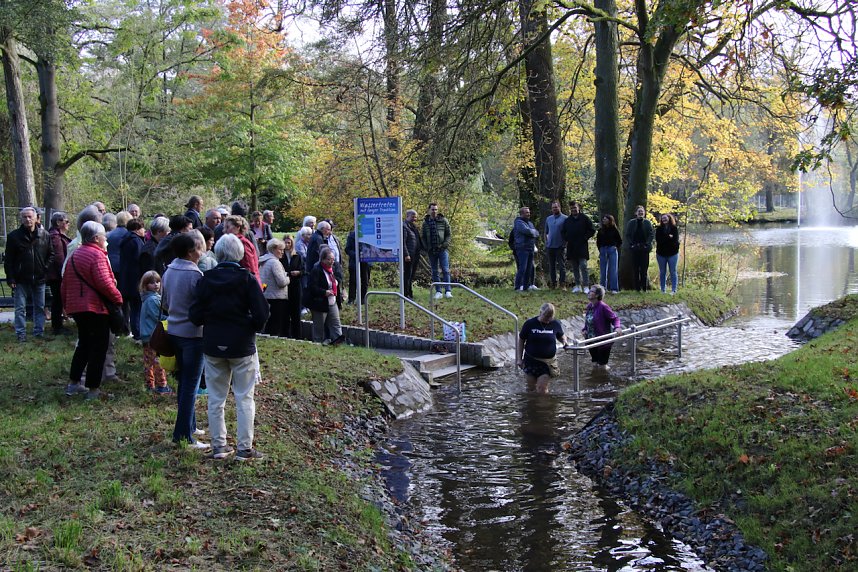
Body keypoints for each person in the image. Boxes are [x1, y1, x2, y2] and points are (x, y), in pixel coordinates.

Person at [190, 233, 269, 461]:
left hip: (214, 343)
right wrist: (250, 326)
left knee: (216, 398)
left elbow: (195, 314)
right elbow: (262, 313)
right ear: (240, 254)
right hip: (242, 344)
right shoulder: (246, 279)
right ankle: (245, 448)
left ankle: (219, 446)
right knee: (244, 397)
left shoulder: (206, 279)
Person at [61, 221, 122, 399]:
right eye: (104, 236)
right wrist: (118, 298)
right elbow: (104, 282)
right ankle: (94, 390)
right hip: (94, 308)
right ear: (96, 238)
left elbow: (65, 282)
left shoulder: (75, 254)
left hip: (77, 307)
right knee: (98, 348)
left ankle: (73, 384)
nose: (106, 240)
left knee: (84, 346)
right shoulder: (96, 255)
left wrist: (66, 305)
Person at [161, 231, 208, 449]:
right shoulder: (195, 275)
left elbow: (166, 302)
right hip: (193, 334)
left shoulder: (169, 270)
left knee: (185, 382)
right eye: (200, 247)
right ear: (191, 252)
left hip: (174, 331)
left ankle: (190, 425)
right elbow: (200, 306)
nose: (203, 250)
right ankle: (183, 436)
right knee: (191, 385)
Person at [5, 207, 54, 342]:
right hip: (21, 278)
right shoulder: (14, 237)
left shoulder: (44, 235)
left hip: (39, 277)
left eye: (30, 217)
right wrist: (11, 277)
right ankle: (21, 333)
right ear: (21, 219)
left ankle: (39, 331)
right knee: (20, 308)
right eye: (24, 217)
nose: (27, 219)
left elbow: (51, 254)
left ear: (35, 218)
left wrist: (45, 268)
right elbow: (8, 260)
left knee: (39, 307)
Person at [517, 302, 568, 393]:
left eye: (550, 317)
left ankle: (545, 406)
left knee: (542, 389)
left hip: (547, 364)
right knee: (530, 389)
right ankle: (531, 406)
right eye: (546, 317)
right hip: (531, 361)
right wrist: (519, 359)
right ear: (540, 313)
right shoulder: (530, 324)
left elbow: (561, 336)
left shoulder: (555, 324)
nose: (548, 319)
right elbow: (521, 340)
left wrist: (564, 342)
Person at [138, 271, 172, 394]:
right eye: (152, 283)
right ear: (146, 285)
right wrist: (171, 319)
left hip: (147, 335)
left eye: (158, 282)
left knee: (148, 362)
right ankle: (162, 385)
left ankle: (149, 385)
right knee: (157, 361)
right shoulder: (152, 299)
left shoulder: (147, 298)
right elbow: (157, 316)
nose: (156, 285)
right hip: (153, 336)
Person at [308, 246, 343, 345]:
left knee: (336, 324)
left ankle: (338, 342)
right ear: (322, 259)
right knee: (319, 326)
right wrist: (324, 292)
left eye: (332, 259)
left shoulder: (334, 269)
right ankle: (317, 344)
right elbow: (312, 287)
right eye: (328, 259)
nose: (331, 262)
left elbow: (338, 280)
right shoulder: (317, 270)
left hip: (333, 301)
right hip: (320, 303)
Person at [581, 285, 623, 369]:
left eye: (591, 291)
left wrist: (617, 327)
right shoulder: (589, 306)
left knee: (602, 366)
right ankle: (596, 381)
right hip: (591, 340)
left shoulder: (603, 307)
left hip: (603, 341)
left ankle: (605, 380)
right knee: (595, 364)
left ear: (597, 295)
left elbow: (615, 318)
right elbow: (589, 321)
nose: (589, 292)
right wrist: (584, 329)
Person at [117, 218, 146, 338]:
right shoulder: (136, 241)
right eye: (142, 228)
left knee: (126, 307)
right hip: (135, 279)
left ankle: (124, 330)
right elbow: (140, 260)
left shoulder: (124, 239)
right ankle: (137, 334)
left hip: (125, 278)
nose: (144, 230)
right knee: (136, 308)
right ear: (137, 229)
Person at [561, 201, 596, 293]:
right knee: (575, 267)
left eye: (575, 208)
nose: (573, 210)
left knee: (583, 266)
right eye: (572, 208)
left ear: (578, 208)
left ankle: (586, 286)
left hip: (582, 246)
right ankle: (577, 285)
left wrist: (585, 237)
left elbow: (592, 230)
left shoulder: (585, 218)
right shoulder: (568, 220)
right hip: (572, 247)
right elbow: (563, 232)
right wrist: (567, 239)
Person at [46, 211, 72, 335]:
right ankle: (57, 326)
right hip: (57, 275)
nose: (68, 224)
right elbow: (59, 257)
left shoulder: (58, 236)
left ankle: (58, 324)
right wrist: (64, 274)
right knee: (57, 300)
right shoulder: (55, 237)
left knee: (59, 300)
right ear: (58, 223)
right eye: (66, 221)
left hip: (57, 274)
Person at [259, 238, 290, 336]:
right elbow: (281, 282)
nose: (282, 252)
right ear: (273, 249)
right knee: (275, 324)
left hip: (266, 295)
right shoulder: (275, 263)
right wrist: (288, 277)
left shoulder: (263, 261)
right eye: (280, 250)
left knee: (269, 322)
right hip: (277, 297)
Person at [421, 203, 452, 299]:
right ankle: (438, 291)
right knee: (434, 271)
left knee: (445, 270)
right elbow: (423, 237)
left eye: (436, 209)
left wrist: (445, 245)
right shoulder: (425, 222)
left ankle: (448, 291)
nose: (434, 211)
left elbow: (449, 234)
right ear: (429, 210)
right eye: (432, 209)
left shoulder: (443, 221)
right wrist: (427, 247)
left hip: (442, 249)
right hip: (431, 250)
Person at [624, 205, 655, 291]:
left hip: (644, 249)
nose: (641, 213)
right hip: (635, 248)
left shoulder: (647, 223)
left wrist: (647, 244)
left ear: (644, 213)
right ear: (636, 213)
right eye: (639, 211)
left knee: (644, 269)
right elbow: (628, 235)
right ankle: (637, 288)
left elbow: (651, 234)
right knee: (635, 269)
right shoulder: (631, 222)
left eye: (642, 211)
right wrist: (631, 244)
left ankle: (644, 288)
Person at [223, 215, 261, 284]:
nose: (224, 230)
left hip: (249, 285)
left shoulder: (242, 243)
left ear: (238, 227)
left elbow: (249, 268)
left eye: (227, 227)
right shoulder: (235, 241)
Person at [281, 235, 304, 339]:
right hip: (285, 287)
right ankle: (285, 334)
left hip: (295, 286)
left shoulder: (297, 256)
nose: (286, 245)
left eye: (289, 243)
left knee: (296, 313)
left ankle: (297, 335)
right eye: (285, 243)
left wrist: (299, 272)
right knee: (285, 313)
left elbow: (304, 270)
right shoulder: (281, 257)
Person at [512, 206, 539, 292]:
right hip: (522, 248)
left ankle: (526, 287)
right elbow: (527, 231)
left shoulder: (530, 223)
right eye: (527, 212)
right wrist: (532, 232)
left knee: (529, 268)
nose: (529, 214)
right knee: (522, 268)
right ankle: (517, 287)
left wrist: (532, 232)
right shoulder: (519, 223)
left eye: (529, 212)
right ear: (522, 214)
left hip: (530, 248)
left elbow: (536, 233)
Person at [596, 214, 622, 294]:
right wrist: (600, 249)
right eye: (603, 219)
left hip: (612, 250)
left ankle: (614, 288)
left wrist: (615, 247)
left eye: (606, 219)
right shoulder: (600, 230)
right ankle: (603, 288)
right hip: (603, 250)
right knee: (603, 271)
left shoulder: (614, 230)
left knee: (613, 270)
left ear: (610, 220)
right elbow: (598, 241)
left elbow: (619, 241)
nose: (604, 220)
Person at [655, 213, 680, 295]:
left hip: (673, 254)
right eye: (662, 218)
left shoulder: (674, 228)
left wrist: (666, 239)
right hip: (661, 254)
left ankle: (674, 290)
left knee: (673, 271)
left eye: (665, 218)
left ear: (669, 218)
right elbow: (659, 241)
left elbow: (675, 241)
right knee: (662, 272)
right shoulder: (659, 229)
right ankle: (663, 290)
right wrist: (668, 237)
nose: (664, 219)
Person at [544, 201, 567, 289]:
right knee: (552, 266)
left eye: (556, 207)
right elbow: (546, 232)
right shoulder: (548, 219)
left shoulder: (565, 218)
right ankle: (553, 284)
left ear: (559, 207)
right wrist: (546, 242)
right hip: (550, 246)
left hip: (560, 246)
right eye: (553, 207)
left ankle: (562, 284)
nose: (554, 209)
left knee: (562, 266)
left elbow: (567, 233)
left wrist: (565, 243)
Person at [345, 230, 371, 304]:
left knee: (365, 281)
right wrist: (356, 255)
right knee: (353, 280)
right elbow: (347, 249)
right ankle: (351, 299)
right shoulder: (352, 235)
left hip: (366, 261)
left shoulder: (370, 235)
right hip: (354, 261)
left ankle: (363, 299)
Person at [402, 209, 422, 299]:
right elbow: (402, 242)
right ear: (407, 216)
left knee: (411, 275)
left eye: (415, 217)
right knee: (407, 275)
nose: (415, 218)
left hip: (415, 254)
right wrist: (406, 254)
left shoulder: (413, 227)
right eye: (413, 216)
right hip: (408, 255)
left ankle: (409, 293)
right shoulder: (404, 226)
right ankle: (406, 294)